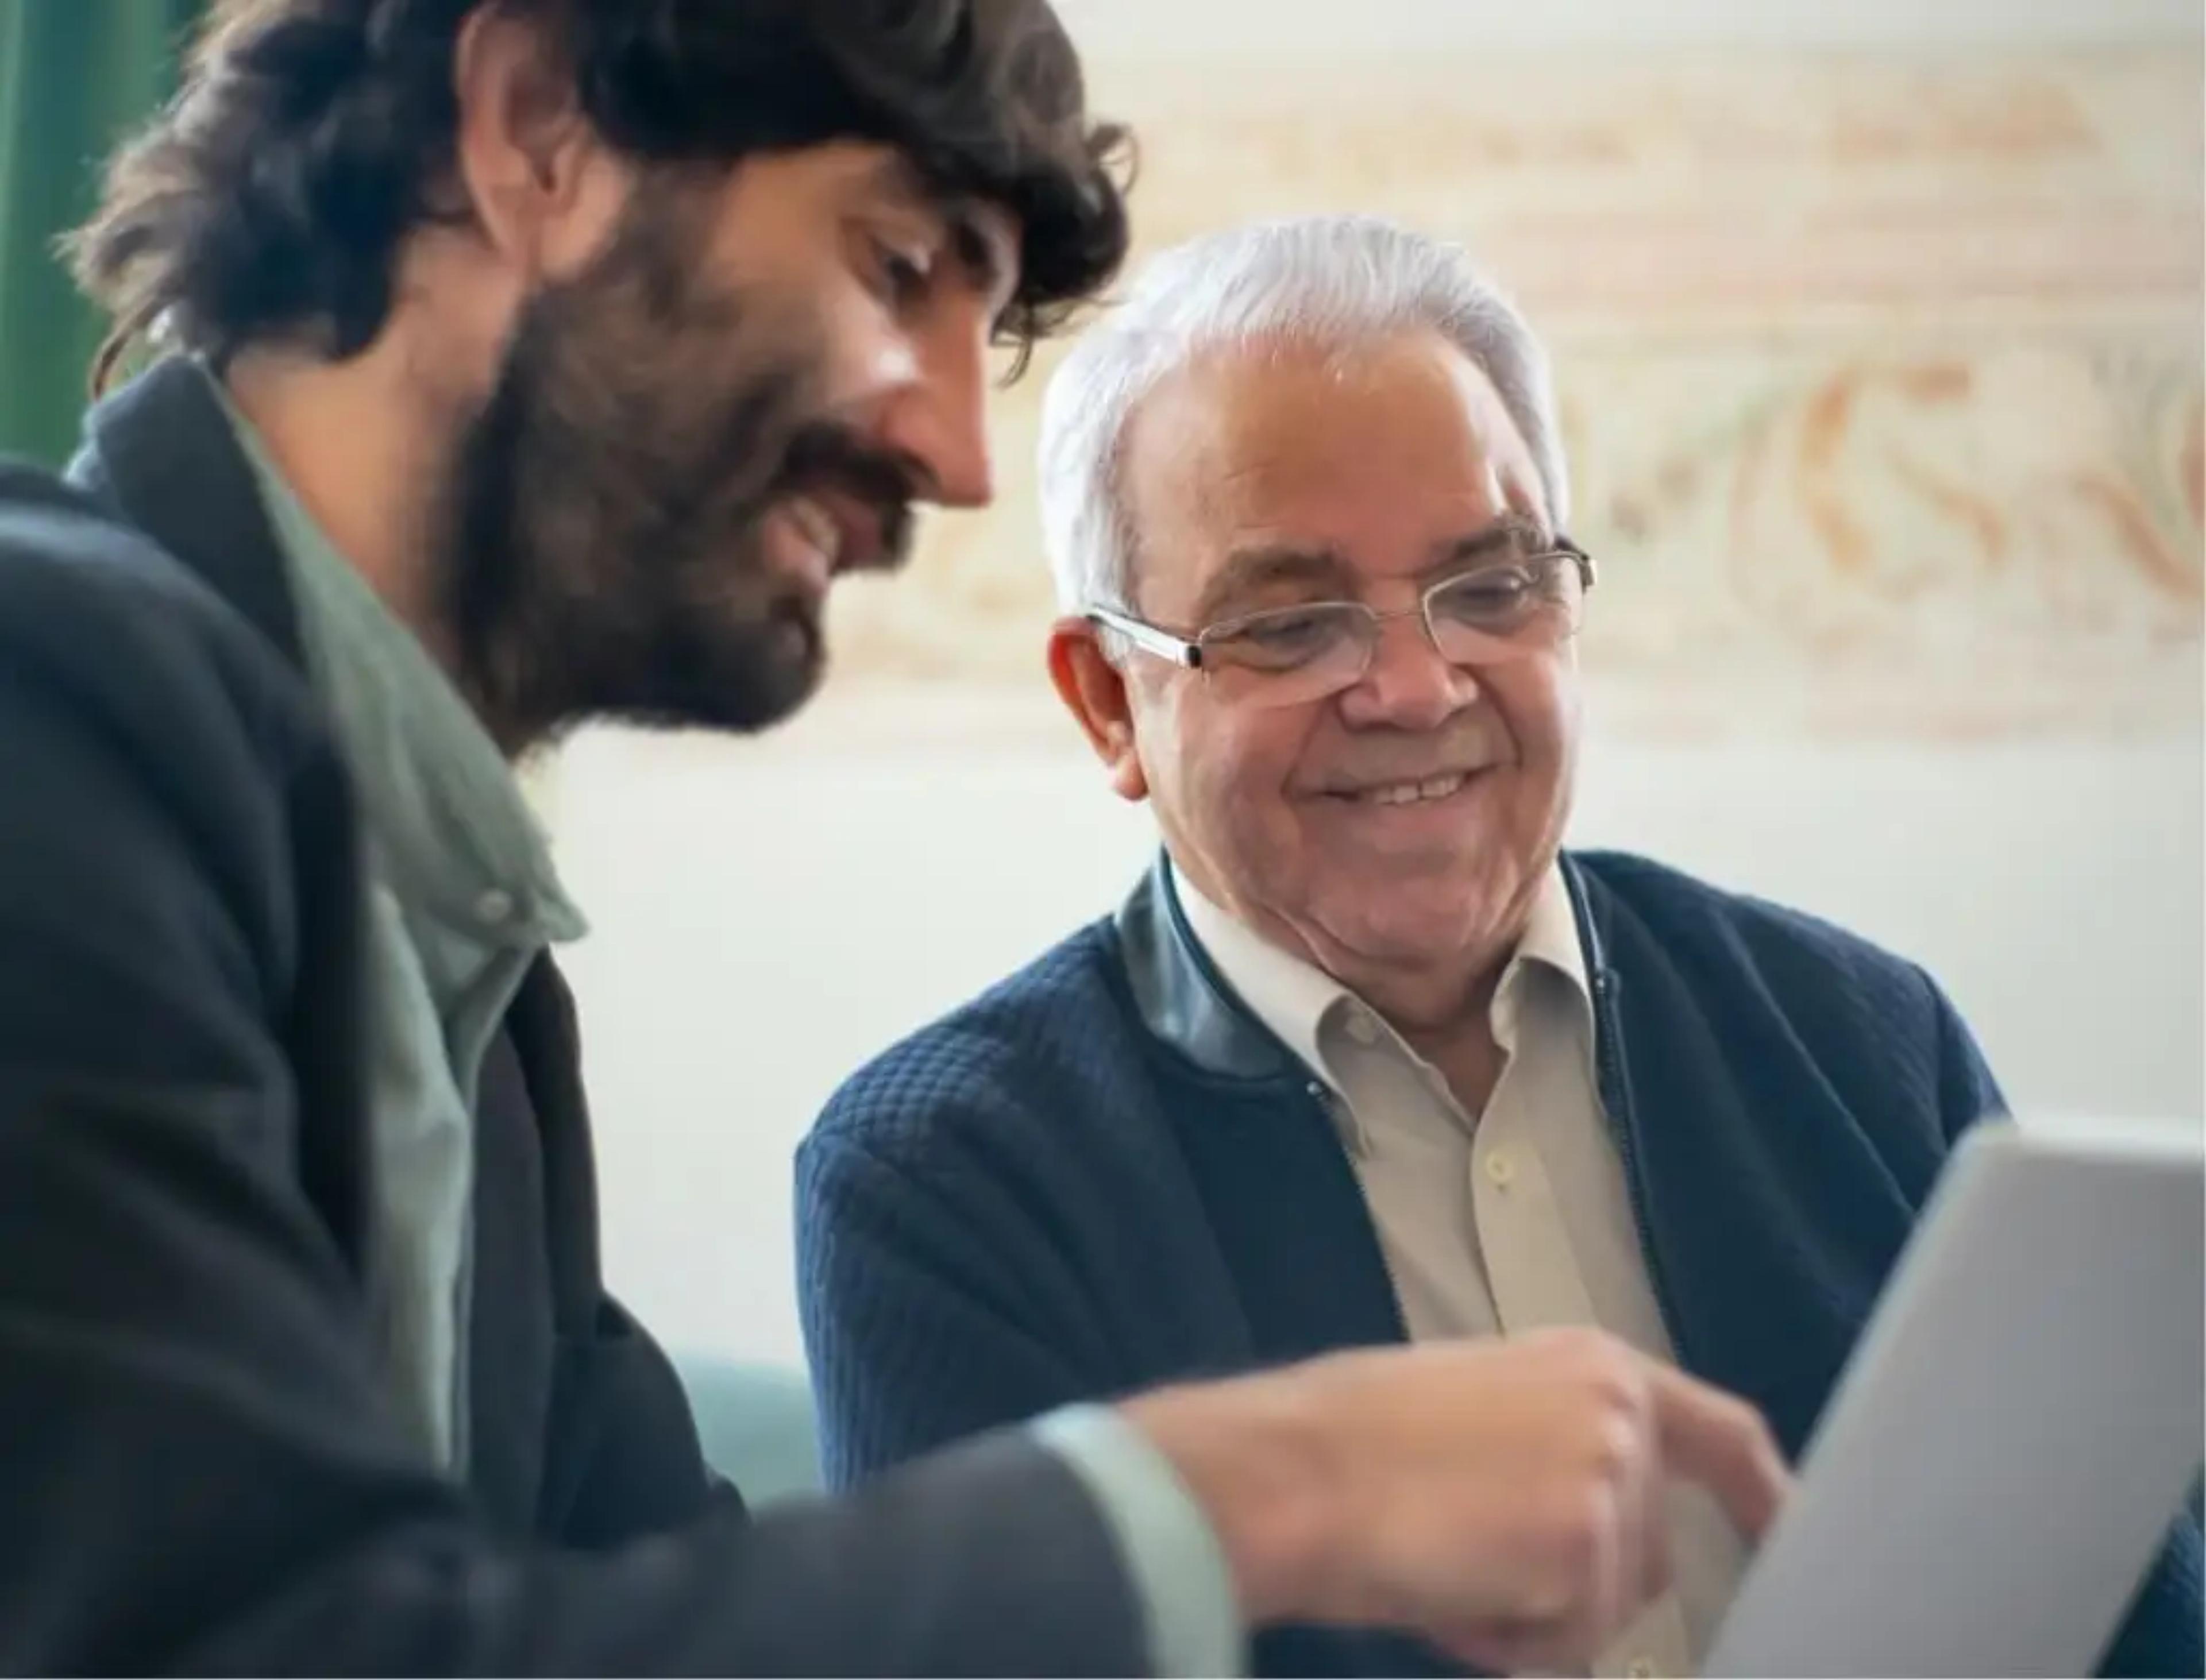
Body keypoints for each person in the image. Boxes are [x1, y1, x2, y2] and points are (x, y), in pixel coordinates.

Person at [0, 7, 1791, 1675]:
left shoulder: (474, 978)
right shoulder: (47, 698)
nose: (955, 458)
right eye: (898, 265)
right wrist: (1275, 1484)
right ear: (537, 126)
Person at [796, 215, 2206, 1678]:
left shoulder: (1863, 1037)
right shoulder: (943, 1178)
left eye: (1491, 587)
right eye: (1290, 623)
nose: (1415, 686)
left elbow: (2143, 1635)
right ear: (1107, 700)